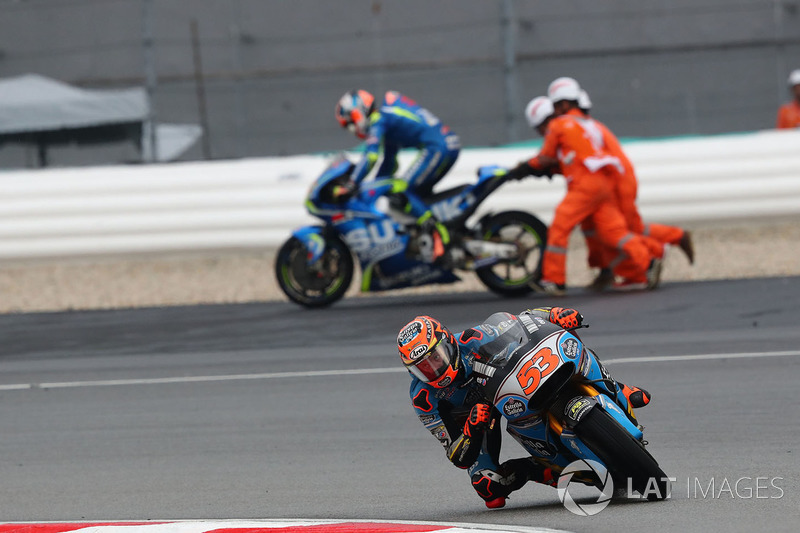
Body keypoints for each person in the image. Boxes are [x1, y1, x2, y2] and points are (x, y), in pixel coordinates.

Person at [397, 307, 651, 509]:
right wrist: (472, 429)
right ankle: (537, 469)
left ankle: (617, 388)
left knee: (570, 346)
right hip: (479, 419)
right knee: (488, 487)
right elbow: (456, 455)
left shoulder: (473, 339)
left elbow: (523, 320)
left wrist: (553, 314)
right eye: (423, 368)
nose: (433, 369)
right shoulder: (423, 398)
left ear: (448, 342)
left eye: (436, 357)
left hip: (512, 388)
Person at [506, 77, 660, 294]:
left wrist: (524, 168)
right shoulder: (588, 125)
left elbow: (546, 157)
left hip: (585, 186)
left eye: (555, 106)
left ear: (563, 104)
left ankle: (554, 280)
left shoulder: (559, 125)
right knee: (613, 232)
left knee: (559, 227)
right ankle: (649, 260)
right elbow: (573, 157)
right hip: (604, 184)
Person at [574, 89, 695, 291]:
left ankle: (654, 255)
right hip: (616, 181)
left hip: (616, 183)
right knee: (624, 229)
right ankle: (671, 239)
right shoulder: (588, 127)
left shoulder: (579, 128)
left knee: (623, 231)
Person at [335, 90, 461, 263]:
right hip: (444, 145)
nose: (353, 129)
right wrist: (373, 188)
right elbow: (389, 164)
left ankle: (439, 234)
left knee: (402, 190)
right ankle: (436, 235)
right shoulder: (387, 120)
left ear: (358, 113)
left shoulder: (379, 120)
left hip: (437, 148)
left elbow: (371, 156)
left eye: (350, 123)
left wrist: (352, 183)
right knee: (414, 196)